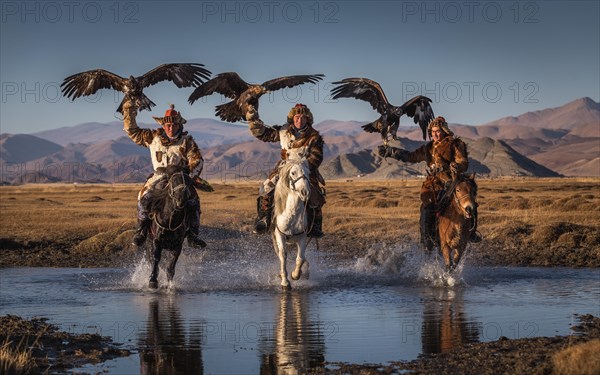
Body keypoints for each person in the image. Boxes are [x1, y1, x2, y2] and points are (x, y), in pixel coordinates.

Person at [377, 116, 482, 250]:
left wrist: (456, 166)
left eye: (438, 131)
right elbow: (411, 157)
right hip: (434, 184)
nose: (435, 134)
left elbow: (463, 162)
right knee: (427, 208)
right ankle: (428, 238)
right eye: (432, 132)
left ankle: (471, 233)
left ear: (444, 130)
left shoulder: (456, 144)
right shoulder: (428, 148)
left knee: (469, 201)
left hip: (453, 180)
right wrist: (392, 152)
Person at [123, 99, 206, 248]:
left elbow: (197, 160)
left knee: (194, 201)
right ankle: (141, 231)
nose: (171, 128)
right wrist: (129, 110)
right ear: (163, 125)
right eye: (168, 125)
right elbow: (132, 131)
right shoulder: (152, 137)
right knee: (144, 198)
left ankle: (193, 234)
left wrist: (189, 176)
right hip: (158, 177)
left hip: (179, 178)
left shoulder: (187, 141)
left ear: (179, 125)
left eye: (174, 125)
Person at [245, 103, 326, 238]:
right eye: (296, 117)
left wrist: (303, 166)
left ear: (307, 119)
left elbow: (317, 157)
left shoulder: (314, 136)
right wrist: (253, 120)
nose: (299, 120)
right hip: (284, 167)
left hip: (305, 169)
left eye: (302, 117)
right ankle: (264, 219)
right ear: (292, 118)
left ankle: (315, 226)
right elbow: (264, 134)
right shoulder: (283, 131)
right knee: (266, 188)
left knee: (315, 194)